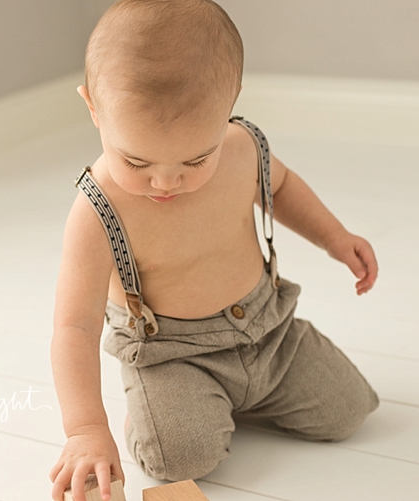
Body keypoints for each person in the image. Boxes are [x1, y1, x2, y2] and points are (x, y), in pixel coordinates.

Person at [49, 1, 380, 500]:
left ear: (229, 105)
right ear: (93, 107)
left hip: (270, 333)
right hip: (171, 355)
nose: (165, 181)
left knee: (348, 411)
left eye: (195, 158)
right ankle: (158, 404)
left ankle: (238, 395)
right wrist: (85, 430)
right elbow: (73, 326)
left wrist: (335, 237)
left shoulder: (243, 148)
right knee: (180, 458)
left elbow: (283, 189)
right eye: (135, 159)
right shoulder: (98, 208)